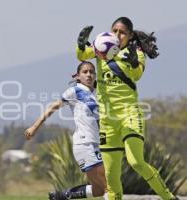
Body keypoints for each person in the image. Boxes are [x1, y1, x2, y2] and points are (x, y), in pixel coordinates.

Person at [76, 17, 178, 200]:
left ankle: (169, 197)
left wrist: (131, 62)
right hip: (107, 120)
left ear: (130, 35)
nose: (117, 35)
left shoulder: (136, 52)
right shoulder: (101, 47)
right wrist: (81, 45)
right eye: (114, 30)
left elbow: (137, 74)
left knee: (136, 162)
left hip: (129, 114)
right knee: (111, 175)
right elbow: (82, 56)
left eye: (122, 32)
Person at [24, 62, 107, 200]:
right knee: (109, 186)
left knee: (98, 190)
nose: (89, 75)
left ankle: (62, 196)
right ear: (78, 76)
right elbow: (52, 107)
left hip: (98, 144)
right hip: (85, 144)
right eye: (85, 72)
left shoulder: (99, 92)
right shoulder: (75, 91)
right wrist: (34, 127)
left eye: (92, 72)